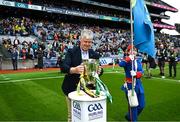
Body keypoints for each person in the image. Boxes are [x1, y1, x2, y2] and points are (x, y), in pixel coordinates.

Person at [61, 29, 101, 122]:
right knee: (72, 117)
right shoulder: (71, 51)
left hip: (89, 90)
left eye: (89, 42)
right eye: (85, 41)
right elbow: (63, 67)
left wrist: (100, 70)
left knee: (87, 116)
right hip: (72, 89)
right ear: (80, 40)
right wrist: (74, 70)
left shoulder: (94, 54)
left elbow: (99, 70)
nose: (87, 44)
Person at [119, 45, 145, 122]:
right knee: (133, 105)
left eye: (135, 50)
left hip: (139, 84)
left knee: (141, 105)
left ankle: (128, 116)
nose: (133, 51)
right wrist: (128, 58)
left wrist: (136, 74)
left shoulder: (138, 60)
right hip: (130, 85)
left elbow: (141, 71)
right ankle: (133, 120)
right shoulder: (127, 60)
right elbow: (121, 64)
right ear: (128, 51)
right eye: (131, 50)